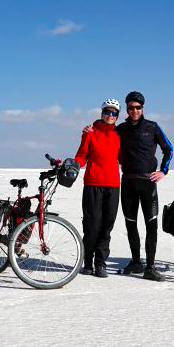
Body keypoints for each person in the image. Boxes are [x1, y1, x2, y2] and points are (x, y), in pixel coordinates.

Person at [87, 91, 173, 281]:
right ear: (126, 109)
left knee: (151, 225)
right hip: (127, 183)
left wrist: (163, 171)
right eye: (131, 107)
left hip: (148, 183)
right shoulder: (121, 129)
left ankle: (150, 266)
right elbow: (104, 129)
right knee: (130, 224)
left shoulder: (152, 127)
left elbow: (168, 148)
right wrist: (91, 129)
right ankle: (136, 262)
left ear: (143, 108)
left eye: (138, 107)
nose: (134, 110)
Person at [73, 99, 122, 277]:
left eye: (114, 113)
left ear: (118, 116)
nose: (110, 115)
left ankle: (100, 263)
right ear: (101, 113)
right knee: (92, 225)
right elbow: (82, 155)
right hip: (93, 183)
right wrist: (74, 165)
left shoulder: (119, 134)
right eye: (107, 112)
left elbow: (125, 157)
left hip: (113, 185)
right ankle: (87, 260)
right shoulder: (90, 132)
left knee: (106, 226)